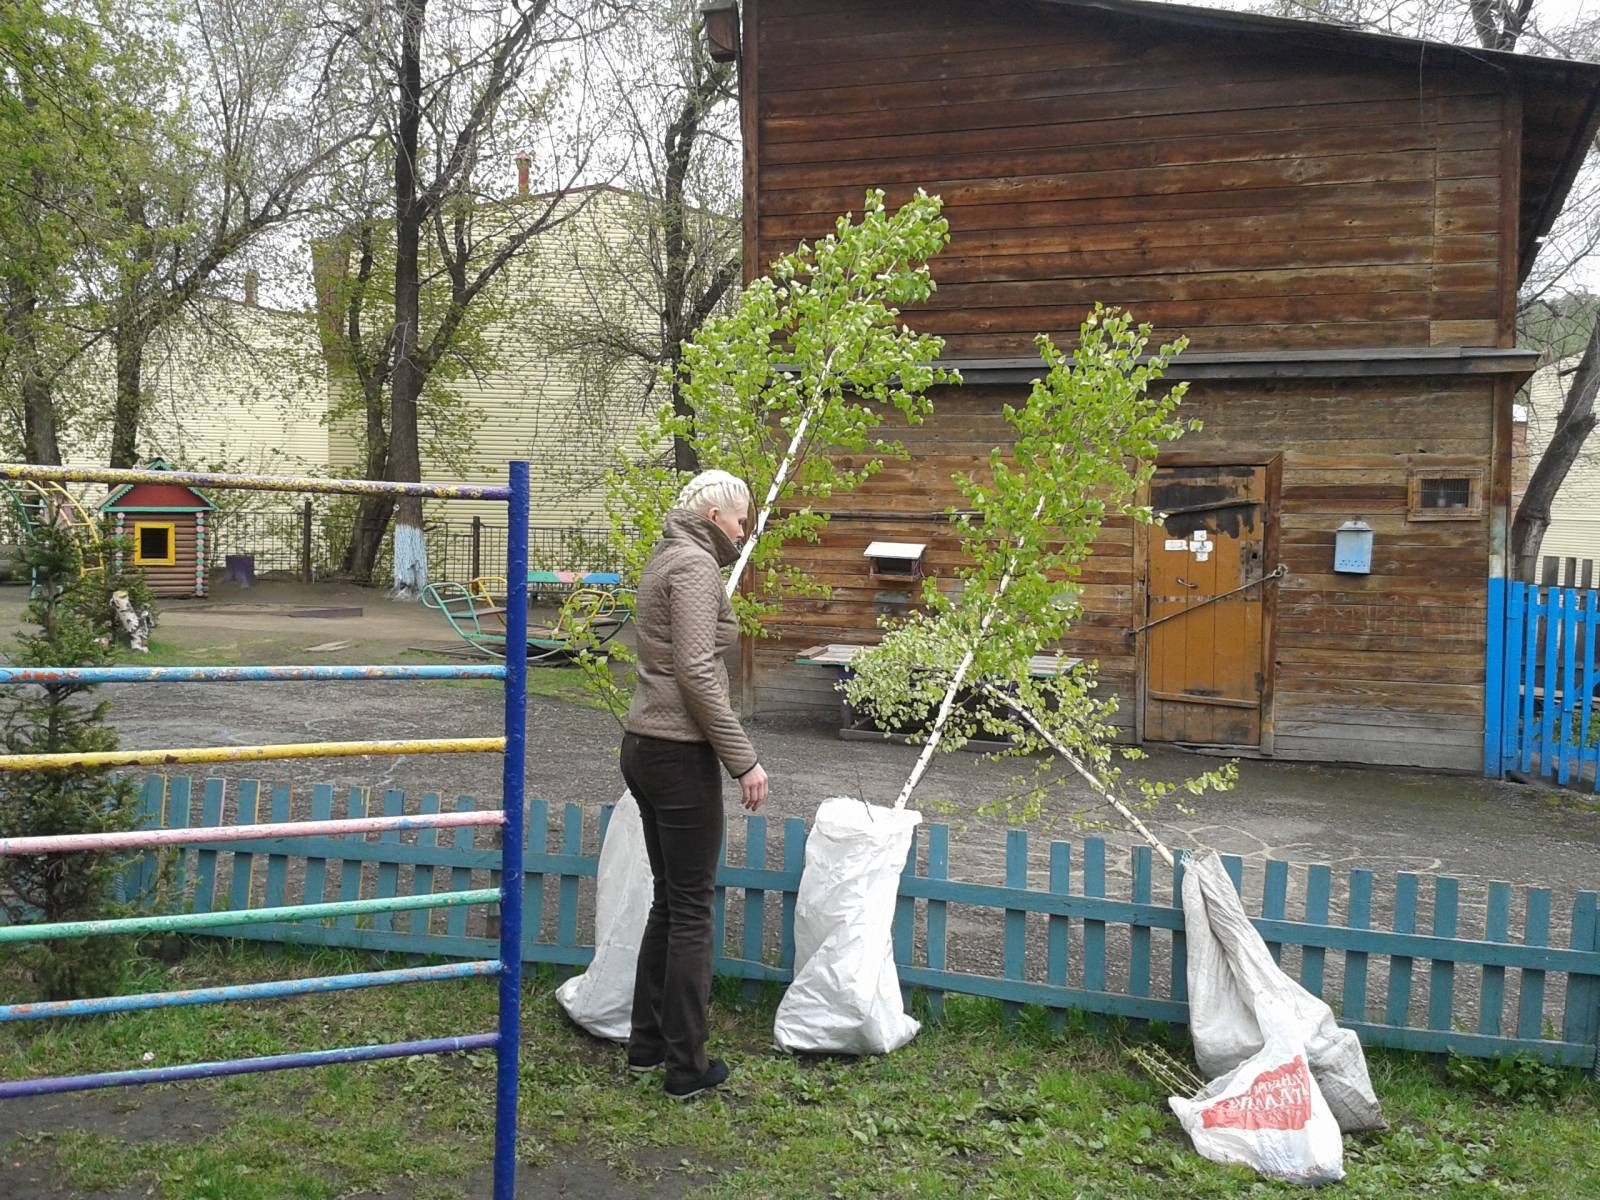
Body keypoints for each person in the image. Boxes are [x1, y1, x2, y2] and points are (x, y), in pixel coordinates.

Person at [620, 469, 769, 1100]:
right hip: (679, 754)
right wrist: (744, 759)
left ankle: (647, 1045)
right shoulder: (696, 566)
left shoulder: (667, 557)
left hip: (645, 747)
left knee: (669, 902)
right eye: (740, 520)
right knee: (691, 912)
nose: (745, 530)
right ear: (714, 517)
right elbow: (695, 673)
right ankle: (686, 1068)